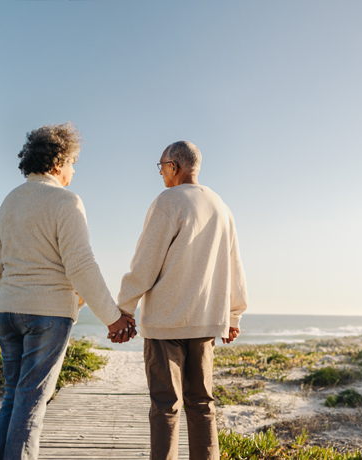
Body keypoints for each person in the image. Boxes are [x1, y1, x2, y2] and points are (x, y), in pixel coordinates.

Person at [0, 122, 136, 460]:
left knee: (12, 398)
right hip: (47, 314)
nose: (73, 171)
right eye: (73, 163)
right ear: (58, 162)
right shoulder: (65, 201)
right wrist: (113, 318)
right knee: (30, 407)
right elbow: (81, 265)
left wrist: (14, 291)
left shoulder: (9, 201)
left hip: (7, 310)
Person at [116, 141, 248, 460]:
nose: (160, 173)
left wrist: (123, 308)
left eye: (161, 166)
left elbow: (145, 263)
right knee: (202, 404)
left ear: (174, 166)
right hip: (204, 321)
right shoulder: (220, 205)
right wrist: (234, 316)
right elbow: (235, 265)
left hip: (165, 322)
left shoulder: (168, 201)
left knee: (165, 407)